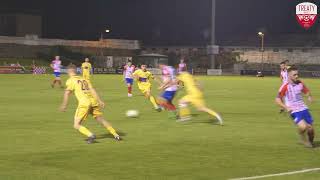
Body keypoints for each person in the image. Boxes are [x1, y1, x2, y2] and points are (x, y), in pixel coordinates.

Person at [60, 64, 121, 144]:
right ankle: (115, 134)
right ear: (76, 70)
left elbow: (67, 93)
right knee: (101, 119)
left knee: (76, 125)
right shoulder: (84, 79)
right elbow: (92, 90)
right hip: (93, 101)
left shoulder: (70, 80)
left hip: (84, 103)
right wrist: (99, 101)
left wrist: (64, 105)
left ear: (69, 71)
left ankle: (90, 135)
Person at [275, 66, 314, 148]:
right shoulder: (285, 86)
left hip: (303, 108)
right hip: (293, 110)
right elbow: (277, 100)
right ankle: (303, 138)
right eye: (294, 75)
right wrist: (285, 107)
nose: (297, 76)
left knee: (311, 130)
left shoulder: (300, 83)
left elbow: (306, 91)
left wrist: (309, 97)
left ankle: (310, 142)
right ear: (289, 75)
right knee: (303, 127)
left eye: (297, 74)